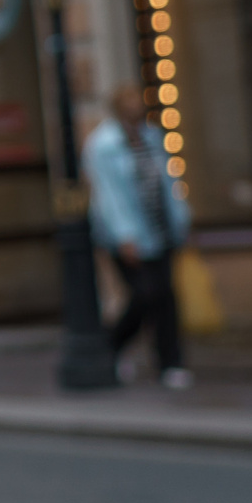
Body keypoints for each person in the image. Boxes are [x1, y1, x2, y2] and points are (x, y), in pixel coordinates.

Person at [86, 84, 194, 388]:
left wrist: (182, 220)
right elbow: (109, 195)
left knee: (166, 297)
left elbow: (169, 181)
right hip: (128, 237)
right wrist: (126, 235)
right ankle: (112, 345)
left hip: (160, 231)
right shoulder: (103, 145)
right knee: (146, 295)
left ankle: (171, 363)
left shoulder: (152, 136)